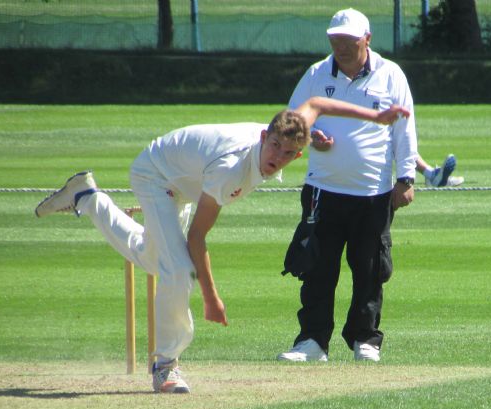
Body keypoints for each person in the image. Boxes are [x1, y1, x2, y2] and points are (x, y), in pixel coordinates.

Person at [34, 97, 409, 393]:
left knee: (156, 259)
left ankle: (87, 198)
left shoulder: (293, 131)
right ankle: (165, 365)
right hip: (156, 174)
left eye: (286, 154)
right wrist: (212, 298)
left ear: (299, 154)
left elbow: (319, 103)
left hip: (183, 178)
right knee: (179, 271)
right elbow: (198, 237)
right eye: (273, 146)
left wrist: (375, 118)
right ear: (264, 137)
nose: (275, 159)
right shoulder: (232, 171)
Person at [277, 8, 417, 363]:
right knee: (317, 268)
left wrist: (406, 178)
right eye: (335, 40)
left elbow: (404, 129)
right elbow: (290, 123)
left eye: (348, 41)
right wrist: (310, 138)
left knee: (370, 270)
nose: (340, 46)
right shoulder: (316, 73)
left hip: (374, 192)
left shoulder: (391, 75)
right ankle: (312, 342)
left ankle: (365, 340)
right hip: (322, 189)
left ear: (366, 39)